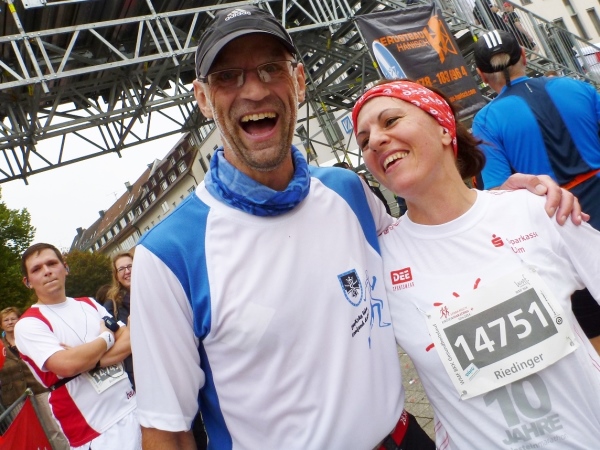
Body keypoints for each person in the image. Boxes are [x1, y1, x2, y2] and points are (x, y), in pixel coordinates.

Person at [129, 6, 580, 450]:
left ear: (298, 81)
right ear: (203, 98)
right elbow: (167, 431)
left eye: (271, 69)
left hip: (403, 439)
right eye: (228, 76)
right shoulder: (168, 254)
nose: (254, 90)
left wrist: (499, 202)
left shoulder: (347, 191)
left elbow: (428, 243)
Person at [352, 78, 600, 449]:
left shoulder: (536, 210)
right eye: (363, 140)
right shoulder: (378, 263)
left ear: (443, 128)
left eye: (390, 121)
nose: (374, 140)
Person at [471, 29, 600, 353]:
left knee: (594, 326)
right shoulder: (577, 87)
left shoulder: (486, 121)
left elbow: (499, 191)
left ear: (482, 75)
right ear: (525, 57)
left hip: (564, 225)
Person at [15, 243, 140, 450]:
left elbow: (129, 339)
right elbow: (67, 365)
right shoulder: (28, 324)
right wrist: (107, 338)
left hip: (133, 405)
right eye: (36, 269)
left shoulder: (89, 304)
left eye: (52, 263)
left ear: (65, 267)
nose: (47, 271)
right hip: (95, 431)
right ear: (27, 282)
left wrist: (88, 360)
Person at [0, 307, 70, 450]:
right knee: (29, 432)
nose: (10, 322)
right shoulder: (0, 346)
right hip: (15, 396)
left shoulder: (28, 338)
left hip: (39, 388)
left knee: (54, 427)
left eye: (13, 319)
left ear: (20, 320)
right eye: (6, 320)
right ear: (1, 325)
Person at [105, 251, 135, 390]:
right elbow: (110, 340)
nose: (127, 271)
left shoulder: (154, 291)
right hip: (136, 367)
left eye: (130, 266)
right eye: (121, 269)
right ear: (116, 276)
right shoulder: (112, 305)